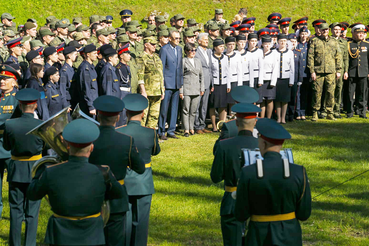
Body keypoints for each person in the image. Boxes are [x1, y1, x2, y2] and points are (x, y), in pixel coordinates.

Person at [27, 118, 124, 245]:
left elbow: (32, 194)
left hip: (60, 237)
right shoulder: (103, 172)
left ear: (67, 146)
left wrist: (40, 171)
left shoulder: (51, 172)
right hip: (92, 236)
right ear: (92, 148)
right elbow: (119, 194)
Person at [235, 118, 311, 246]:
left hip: (258, 236)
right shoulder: (299, 172)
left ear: (263, 143)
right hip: (289, 236)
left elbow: (240, 214)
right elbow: (304, 214)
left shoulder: (248, 173)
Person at [89, 95, 145, 246]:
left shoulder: (88, 139)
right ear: (117, 117)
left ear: (98, 115)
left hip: (91, 195)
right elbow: (140, 168)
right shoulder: (126, 141)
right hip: (116, 196)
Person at [211, 103, 261, 246]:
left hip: (232, 202)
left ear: (236, 122)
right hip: (257, 201)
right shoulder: (262, 144)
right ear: (255, 122)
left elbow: (215, 177)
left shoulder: (224, 145)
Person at [117, 94, 161, 246]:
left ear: (126, 113)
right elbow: (155, 151)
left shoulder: (119, 131)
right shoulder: (150, 132)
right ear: (143, 114)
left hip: (124, 181)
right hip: (144, 182)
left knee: (125, 222)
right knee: (141, 224)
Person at [4, 88, 44, 246]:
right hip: (35, 169)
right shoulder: (41, 125)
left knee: (15, 210)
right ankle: (30, 243)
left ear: (19, 105)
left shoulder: (9, 124)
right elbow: (46, 145)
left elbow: (7, 147)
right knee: (32, 212)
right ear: (35, 105)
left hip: (17, 170)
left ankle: (15, 243)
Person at [308, 23, 342, 121]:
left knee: (330, 92)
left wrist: (338, 70)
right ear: (320, 31)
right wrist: (312, 71)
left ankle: (329, 112)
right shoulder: (315, 41)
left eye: (326, 30)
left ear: (328, 30)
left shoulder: (333, 42)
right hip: (318, 71)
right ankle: (315, 112)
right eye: (323, 30)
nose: (325, 31)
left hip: (331, 71)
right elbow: (311, 57)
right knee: (317, 93)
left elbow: (338, 56)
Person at [0, 64, 19, 218]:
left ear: (14, 82)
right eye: (1, 78)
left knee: (15, 186)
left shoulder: (18, 99)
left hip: (10, 148)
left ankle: (18, 215)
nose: (2, 81)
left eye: (6, 78)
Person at [158, 30, 183, 140]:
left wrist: (180, 83)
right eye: (176, 38)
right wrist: (162, 84)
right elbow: (161, 68)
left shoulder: (179, 49)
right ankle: (161, 130)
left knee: (174, 108)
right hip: (167, 84)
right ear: (170, 39)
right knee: (164, 109)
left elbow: (180, 67)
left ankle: (171, 130)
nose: (178, 40)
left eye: (179, 38)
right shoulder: (164, 49)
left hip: (176, 83)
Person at [136, 36, 165, 128]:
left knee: (154, 116)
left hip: (157, 91)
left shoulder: (156, 57)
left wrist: (162, 89)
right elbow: (140, 75)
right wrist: (143, 91)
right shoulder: (141, 57)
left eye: (155, 44)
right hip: (147, 92)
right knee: (143, 116)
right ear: (146, 45)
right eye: (152, 44)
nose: (154, 46)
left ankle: (150, 136)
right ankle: (141, 136)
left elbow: (161, 74)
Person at [180, 43, 204, 137]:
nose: (193, 52)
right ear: (186, 51)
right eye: (191, 50)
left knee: (193, 110)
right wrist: (181, 91)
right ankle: (186, 129)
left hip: (196, 89)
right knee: (186, 109)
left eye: (195, 50)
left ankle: (191, 128)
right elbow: (180, 76)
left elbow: (201, 75)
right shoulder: (183, 61)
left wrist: (202, 88)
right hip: (187, 88)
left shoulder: (198, 61)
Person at [345, 24, 369, 119]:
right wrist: (346, 71)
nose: (361, 35)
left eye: (362, 33)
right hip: (352, 72)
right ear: (354, 34)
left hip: (363, 72)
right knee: (350, 93)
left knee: (362, 93)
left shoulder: (367, 45)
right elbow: (346, 60)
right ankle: (350, 111)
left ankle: (361, 111)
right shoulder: (349, 44)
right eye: (359, 33)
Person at [194, 33, 212, 134]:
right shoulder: (196, 52)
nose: (207, 41)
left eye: (207, 39)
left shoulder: (209, 52)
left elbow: (211, 68)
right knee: (197, 105)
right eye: (204, 39)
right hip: (199, 82)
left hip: (208, 81)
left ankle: (202, 124)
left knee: (204, 105)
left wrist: (211, 83)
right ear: (199, 41)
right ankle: (196, 126)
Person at [274, 34, 295, 124]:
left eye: (284, 41)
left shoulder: (290, 52)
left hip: (286, 78)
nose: (282, 43)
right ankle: (278, 117)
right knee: (278, 99)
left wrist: (291, 80)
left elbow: (292, 68)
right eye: (281, 41)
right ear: (278, 42)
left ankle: (283, 117)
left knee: (285, 100)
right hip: (277, 78)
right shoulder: (274, 52)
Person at [209, 39, 228, 132]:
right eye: (220, 46)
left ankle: (221, 124)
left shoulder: (225, 57)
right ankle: (214, 126)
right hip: (215, 84)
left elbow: (228, 71)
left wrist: (228, 85)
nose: (222, 48)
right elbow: (210, 72)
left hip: (223, 83)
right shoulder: (211, 58)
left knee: (223, 105)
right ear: (215, 48)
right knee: (213, 105)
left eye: (223, 46)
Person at [75, 44, 99, 117]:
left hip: (94, 101)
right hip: (88, 105)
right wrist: (90, 106)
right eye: (94, 53)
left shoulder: (91, 66)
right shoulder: (85, 68)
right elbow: (86, 88)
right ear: (88, 54)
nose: (96, 55)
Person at [330, 22, 348, 119]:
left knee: (338, 90)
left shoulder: (343, 42)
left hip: (340, 70)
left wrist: (345, 71)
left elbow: (346, 58)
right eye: (335, 29)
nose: (337, 31)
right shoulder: (328, 40)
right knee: (329, 90)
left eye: (338, 29)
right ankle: (328, 110)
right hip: (330, 69)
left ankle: (337, 110)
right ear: (332, 30)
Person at [259, 35, 278, 119]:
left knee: (269, 99)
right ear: (262, 44)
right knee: (262, 100)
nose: (267, 46)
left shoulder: (274, 54)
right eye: (265, 44)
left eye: (268, 44)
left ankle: (269, 117)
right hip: (261, 79)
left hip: (269, 79)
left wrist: (273, 82)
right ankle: (262, 117)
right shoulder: (259, 53)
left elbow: (275, 69)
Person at [296, 27, 310, 120]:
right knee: (298, 94)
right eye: (302, 34)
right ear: (299, 35)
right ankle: (297, 112)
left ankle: (303, 112)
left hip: (307, 73)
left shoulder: (309, 45)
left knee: (305, 93)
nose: (303, 36)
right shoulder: (297, 45)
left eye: (305, 34)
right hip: (298, 73)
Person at [224, 36, 242, 108]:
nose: (232, 46)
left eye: (233, 44)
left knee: (233, 100)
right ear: (226, 45)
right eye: (229, 44)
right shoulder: (223, 55)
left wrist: (239, 84)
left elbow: (239, 70)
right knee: (225, 100)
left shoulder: (237, 55)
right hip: (225, 81)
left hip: (234, 80)